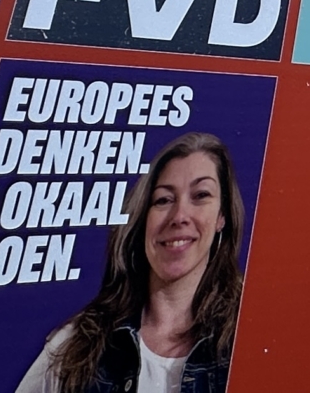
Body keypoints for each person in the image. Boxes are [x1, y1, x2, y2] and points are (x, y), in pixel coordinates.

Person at [14, 131, 244, 393]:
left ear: (222, 216)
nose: (179, 216)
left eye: (201, 195)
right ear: (142, 218)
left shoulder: (254, 336)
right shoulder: (76, 346)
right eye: (163, 200)